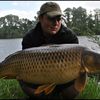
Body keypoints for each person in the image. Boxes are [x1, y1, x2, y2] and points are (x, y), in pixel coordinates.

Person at [19, 2, 79, 99]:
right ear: (40, 18)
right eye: (51, 18)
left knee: (71, 92)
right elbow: (25, 64)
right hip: (37, 76)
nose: (56, 23)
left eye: (59, 19)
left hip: (63, 77)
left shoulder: (70, 37)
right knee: (37, 94)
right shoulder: (29, 38)